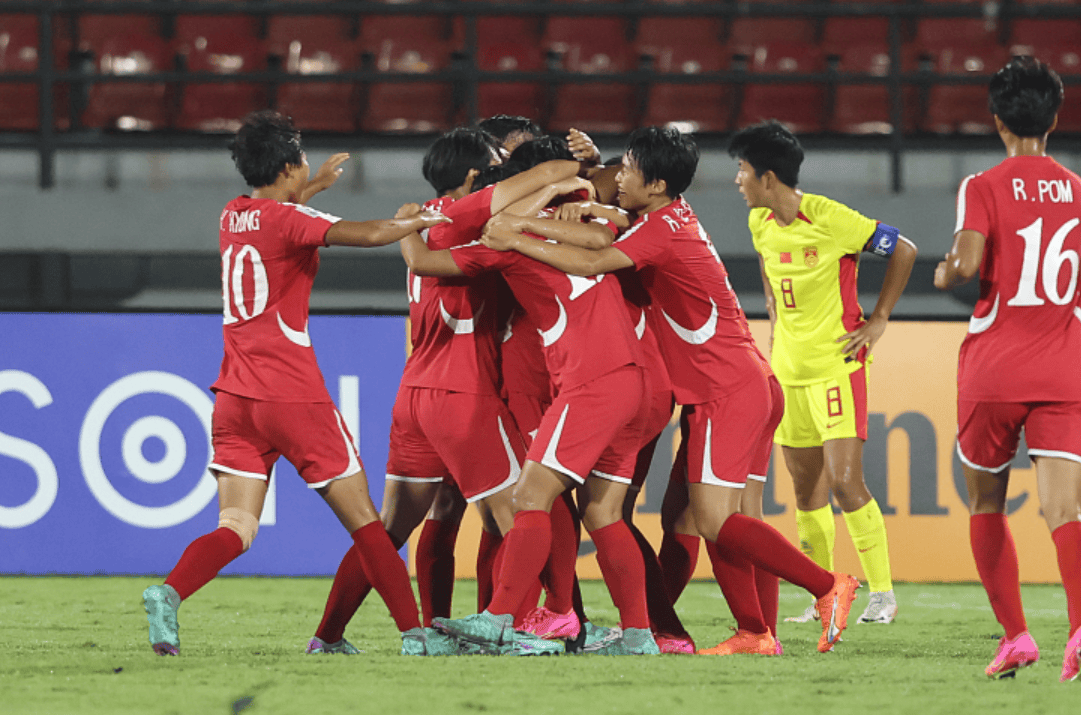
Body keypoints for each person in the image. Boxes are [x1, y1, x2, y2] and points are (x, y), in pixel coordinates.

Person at [481, 126, 859, 657]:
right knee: (705, 519)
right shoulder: (668, 217)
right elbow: (616, 224)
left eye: (630, 169)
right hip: (746, 383)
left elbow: (593, 261)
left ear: (656, 183)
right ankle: (755, 632)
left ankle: (827, 586)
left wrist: (515, 235)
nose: (621, 177)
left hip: (726, 391)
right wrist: (594, 202)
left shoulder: (657, 231)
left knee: (715, 519)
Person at [142, 111, 450, 657]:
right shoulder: (290, 221)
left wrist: (308, 189)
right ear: (286, 167)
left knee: (236, 527)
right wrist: (419, 220)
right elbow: (369, 234)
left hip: (235, 399)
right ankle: (415, 636)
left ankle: (169, 592)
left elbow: (276, 220)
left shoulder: (232, 215)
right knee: (367, 526)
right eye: (302, 159)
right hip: (293, 397)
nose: (307, 164)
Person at [306, 127, 585, 654]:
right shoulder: (470, 215)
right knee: (520, 515)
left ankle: (329, 635)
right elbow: (549, 174)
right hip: (465, 393)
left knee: (387, 529)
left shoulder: (421, 217)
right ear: (476, 177)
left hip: (415, 390)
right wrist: (577, 169)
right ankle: (520, 629)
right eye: (498, 162)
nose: (507, 169)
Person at [400, 165, 671, 658]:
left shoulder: (502, 245)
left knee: (529, 496)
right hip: (636, 379)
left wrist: (406, 226)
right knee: (603, 512)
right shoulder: (586, 230)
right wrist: (571, 195)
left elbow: (425, 260)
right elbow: (610, 223)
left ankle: (499, 619)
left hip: (592, 382)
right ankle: (638, 636)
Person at [932, 57, 1081, 681]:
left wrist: (946, 267)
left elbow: (970, 262)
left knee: (986, 503)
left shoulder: (982, 184)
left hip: (994, 369)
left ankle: (1016, 637)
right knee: (1069, 512)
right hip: (1063, 370)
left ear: (998, 118)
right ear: (1054, 118)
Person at [727, 121, 916, 626]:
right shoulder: (760, 223)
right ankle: (825, 592)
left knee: (846, 482)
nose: (737, 181)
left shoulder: (833, 219)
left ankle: (882, 593)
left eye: (742, 171)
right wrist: (770, 313)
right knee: (805, 488)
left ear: (768, 178)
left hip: (837, 367)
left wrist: (878, 320)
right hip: (788, 371)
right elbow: (771, 271)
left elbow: (904, 250)